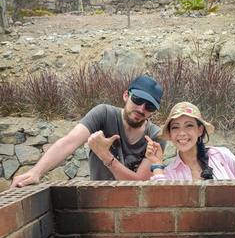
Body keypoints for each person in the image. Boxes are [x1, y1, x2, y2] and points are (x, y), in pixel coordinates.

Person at [10, 75, 166, 188]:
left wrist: (106, 156)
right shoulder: (103, 114)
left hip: (133, 208)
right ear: (126, 95)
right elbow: (69, 142)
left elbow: (139, 184)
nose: (141, 109)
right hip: (98, 203)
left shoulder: (155, 136)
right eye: (138, 100)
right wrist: (35, 173)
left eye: (149, 107)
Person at [145, 102, 235, 181]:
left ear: (200, 130)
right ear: (170, 134)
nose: (182, 133)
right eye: (175, 127)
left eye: (189, 126)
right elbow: (161, 200)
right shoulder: (170, 173)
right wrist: (157, 164)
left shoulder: (222, 156)